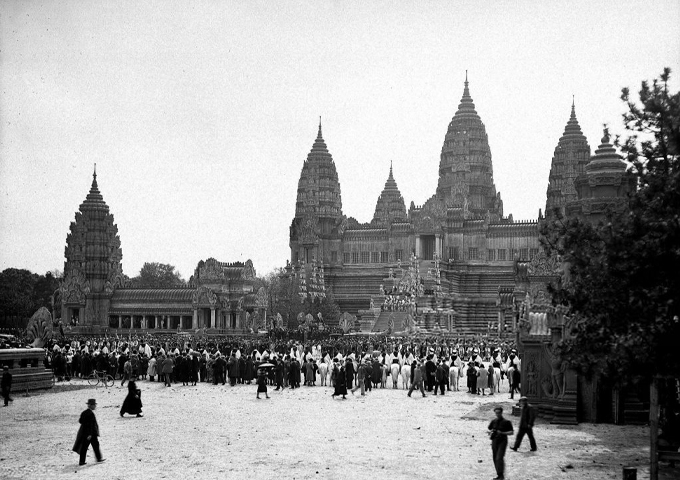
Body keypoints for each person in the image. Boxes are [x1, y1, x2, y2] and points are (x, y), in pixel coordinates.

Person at [72, 399, 106, 466]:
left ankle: (84, 461)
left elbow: (80, 421)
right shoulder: (90, 414)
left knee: (88, 446)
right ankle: (95, 459)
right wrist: (90, 434)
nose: (95, 406)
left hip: (85, 433)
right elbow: (90, 425)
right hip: (91, 434)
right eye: (94, 405)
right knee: (90, 446)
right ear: (90, 405)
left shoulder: (84, 412)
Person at [488, 406, 514, 480]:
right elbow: (490, 429)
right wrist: (490, 432)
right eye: (496, 413)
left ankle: (501, 475)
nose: (498, 414)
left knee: (499, 458)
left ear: (501, 413)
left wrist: (502, 432)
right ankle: (499, 474)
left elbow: (511, 432)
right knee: (495, 458)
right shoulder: (493, 421)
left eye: (499, 413)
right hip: (494, 441)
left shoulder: (506, 422)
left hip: (502, 441)